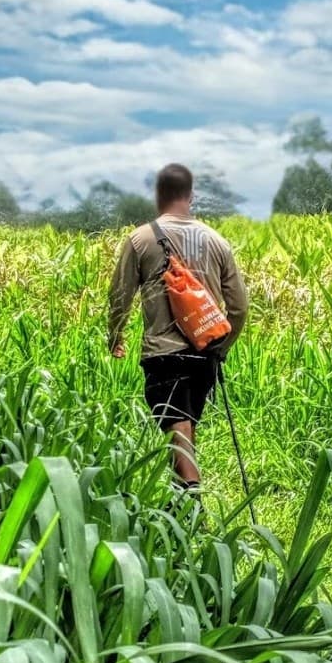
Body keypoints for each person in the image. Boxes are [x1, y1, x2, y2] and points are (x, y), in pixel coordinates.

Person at [106, 163, 250, 489]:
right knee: (184, 426)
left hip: (163, 353)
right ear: (191, 196)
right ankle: (180, 506)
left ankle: (192, 499)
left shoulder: (141, 239)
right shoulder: (217, 241)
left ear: (159, 195)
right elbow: (239, 308)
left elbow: (119, 297)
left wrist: (115, 335)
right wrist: (221, 348)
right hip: (205, 354)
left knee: (178, 427)